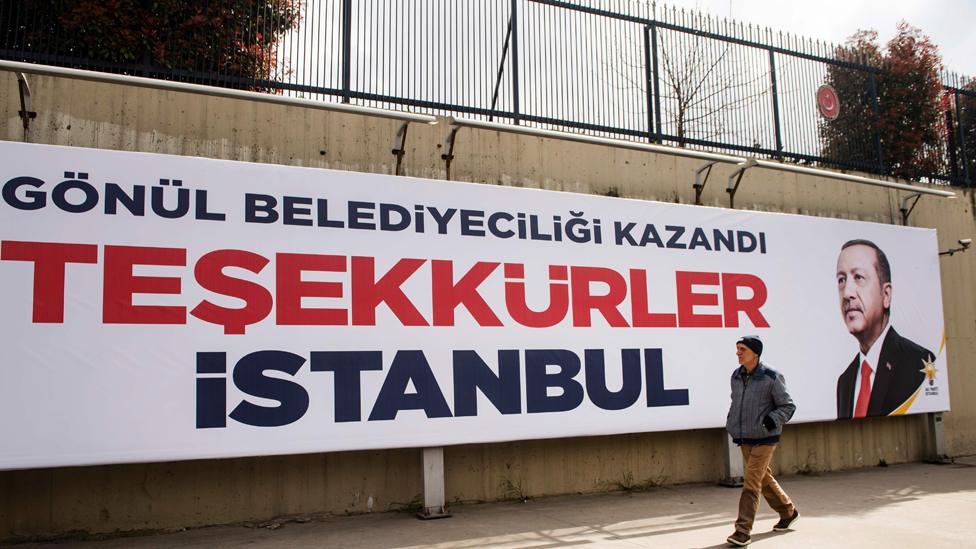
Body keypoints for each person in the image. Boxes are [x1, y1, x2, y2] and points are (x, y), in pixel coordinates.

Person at [835, 240, 932, 419]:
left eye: (859, 277)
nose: (847, 292)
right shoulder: (845, 382)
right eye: (842, 280)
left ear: (886, 294)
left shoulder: (919, 363)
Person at [725, 335, 798, 547]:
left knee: (751, 483)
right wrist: (731, 423)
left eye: (743, 349)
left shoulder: (771, 377)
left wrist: (770, 421)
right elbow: (736, 404)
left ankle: (742, 531)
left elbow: (788, 406)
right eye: (737, 348)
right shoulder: (736, 376)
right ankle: (788, 511)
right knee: (762, 478)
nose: (738, 353)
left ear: (755, 353)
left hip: (766, 437)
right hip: (744, 437)